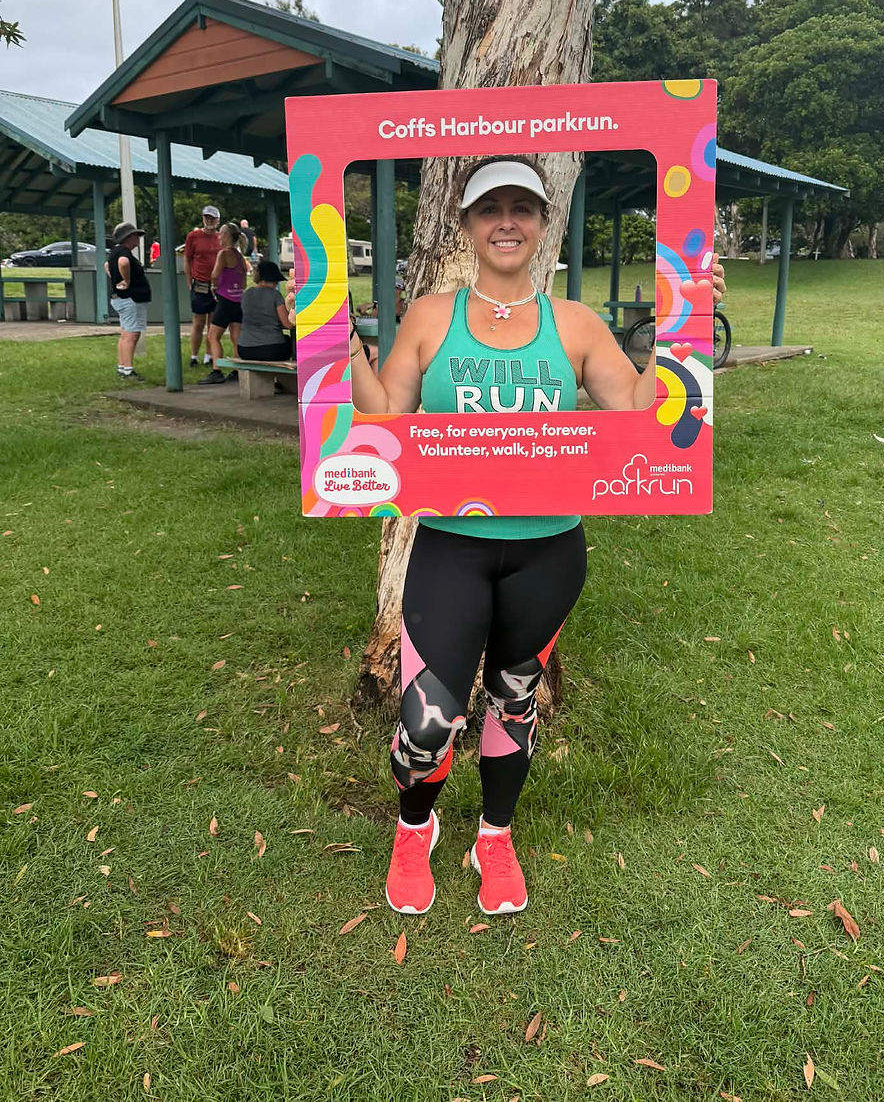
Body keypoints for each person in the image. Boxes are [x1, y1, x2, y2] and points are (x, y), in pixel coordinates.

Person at [347, 156, 725, 919]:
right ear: (466, 226)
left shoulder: (575, 324)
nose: (508, 221)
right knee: (426, 719)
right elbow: (383, 411)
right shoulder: (430, 316)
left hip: (548, 549)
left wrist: (686, 328)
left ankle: (494, 835)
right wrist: (329, 335)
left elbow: (640, 411)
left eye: (524, 207)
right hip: (451, 541)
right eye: (491, 209)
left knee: (514, 702)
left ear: (545, 223)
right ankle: (413, 826)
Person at [198, 224, 248, 385]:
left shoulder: (224, 253)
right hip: (238, 300)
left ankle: (216, 370)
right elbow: (244, 282)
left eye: (220, 234)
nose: (218, 236)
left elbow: (214, 274)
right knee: (236, 337)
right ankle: (237, 370)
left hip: (225, 300)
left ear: (226, 236)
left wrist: (214, 286)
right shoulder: (240, 256)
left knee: (213, 336)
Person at [106, 221, 151, 380]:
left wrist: (114, 278)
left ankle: (122, 366)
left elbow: (107, 265)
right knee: (132, 334)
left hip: (121, 298)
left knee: (125, 334)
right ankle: (128, 370)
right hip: (131, 299)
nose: (137, 238)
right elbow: (123, 263)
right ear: (129, 237)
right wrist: (126, 280)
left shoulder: (114, 252)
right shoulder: (124, 253)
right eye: (135, 235)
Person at [183, 204, 221, 367]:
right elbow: (187, 258)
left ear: (217, 220)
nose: (209, 221)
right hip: (200, 282)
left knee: (213, 323)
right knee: (198, 321)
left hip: (216, 285)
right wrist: (189, 281)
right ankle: (194, 355)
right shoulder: (194, 236)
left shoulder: (220, 238)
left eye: (212, 218)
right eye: (206, 217)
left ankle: (209, 354)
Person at [238, 259, 293, 362]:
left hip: (245, 349)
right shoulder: (275, 295)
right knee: (288, 340)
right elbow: (288, 324)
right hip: (272, 349)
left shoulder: (246, 294)